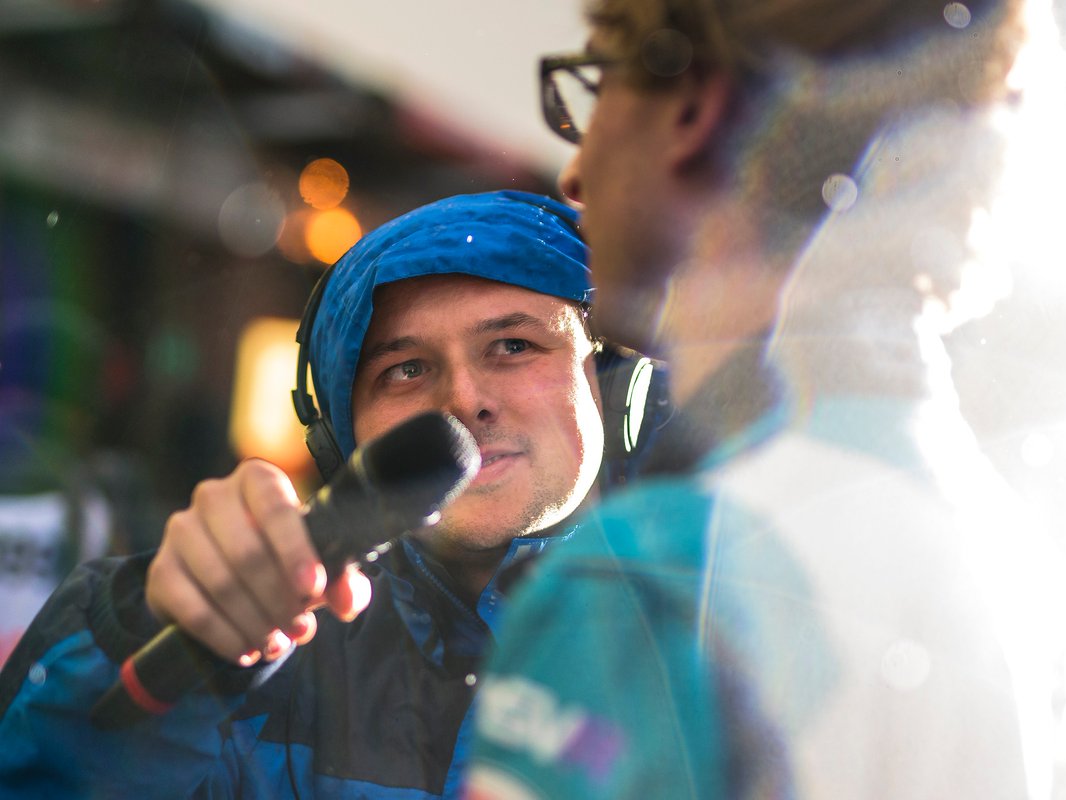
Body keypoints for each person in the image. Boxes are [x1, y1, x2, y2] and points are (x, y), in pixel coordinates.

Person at [464, 2, 1066, 798]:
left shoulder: (647, 581)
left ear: (692, 107)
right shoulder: (1036, 596)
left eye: (599, 84)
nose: (573, 169)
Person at [0, 190, 665, 798]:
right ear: (340, 443)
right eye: (405, 370)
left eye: (514, 345)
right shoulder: (262, 655)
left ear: (609, 386)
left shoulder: (717, 641)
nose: (465, 399)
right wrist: (143, 635)